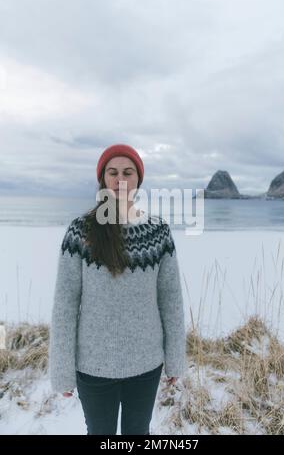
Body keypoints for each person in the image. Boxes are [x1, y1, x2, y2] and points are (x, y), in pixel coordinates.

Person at [49, 143, 186, 435]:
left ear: (138, 180)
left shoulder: (158, 232)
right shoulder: (81, 231)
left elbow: (170, 300)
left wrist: (174, 358)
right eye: (113, 172)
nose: (120, 179)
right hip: (93, 365)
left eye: (128, 172)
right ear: (103, 179)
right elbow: (65, 304)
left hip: (146, 364)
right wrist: (62, 370)